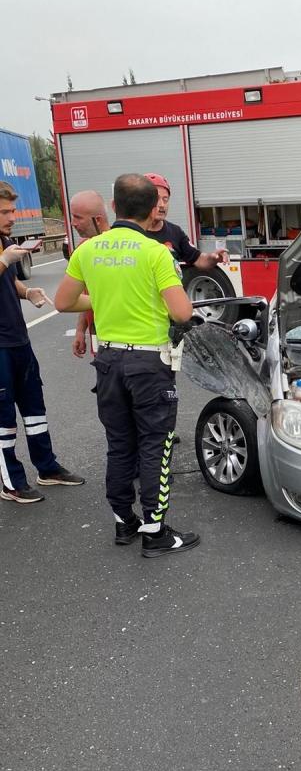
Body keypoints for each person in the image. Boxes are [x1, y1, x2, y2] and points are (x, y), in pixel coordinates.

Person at [54, 173, 199, 557]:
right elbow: (182, 312)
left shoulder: (89, 251)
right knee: (155, 444)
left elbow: (64, 302)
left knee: (120, 444)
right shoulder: (156, 253)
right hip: (149, 363)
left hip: (109, 361)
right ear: (154, 209)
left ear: (114, 207)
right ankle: (156, 532)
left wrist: (101, 300)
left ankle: (124, 522)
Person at [0, 180, 85, 503]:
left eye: (12, 210)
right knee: (4, 418)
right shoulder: (5, 251)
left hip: (19, 339)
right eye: (5, 212)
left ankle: (46, 468)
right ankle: (11, 484)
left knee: (34, 408)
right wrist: (6, 261)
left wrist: (27, 291)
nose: (12, 217)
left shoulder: (4, 241)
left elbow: (7, 281)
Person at [144, 173, 228, 272]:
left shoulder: (175, 232)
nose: (162, 205)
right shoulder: (131, 232)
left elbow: (198, 259)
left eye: (165, 199)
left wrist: (213, 258)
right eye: (156, 199)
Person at [69, 191, 110, 359]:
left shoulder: (118, 248)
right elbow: (84, 292)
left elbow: (64, 302)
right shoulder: (83, 249)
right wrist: (80, 331)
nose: (73, 223)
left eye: (78, 217)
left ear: (98, 220)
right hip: (96, 331)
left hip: (123, 337)